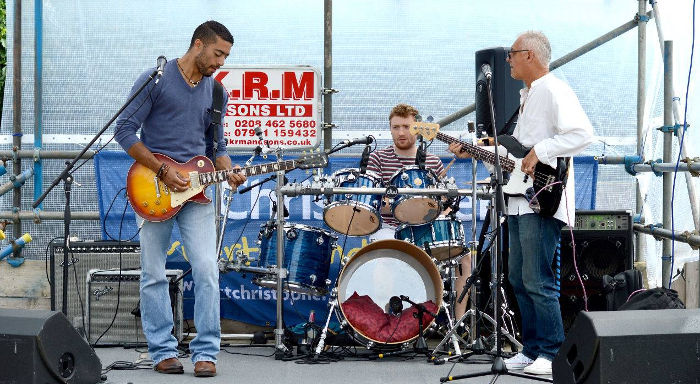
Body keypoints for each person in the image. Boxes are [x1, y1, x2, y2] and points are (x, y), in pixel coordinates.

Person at [449, 31, 593, 375]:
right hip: (516, 199)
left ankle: (552, 352)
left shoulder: (553, 89)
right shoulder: (528, 95)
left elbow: (581, 134)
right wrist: (473, 150)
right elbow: (513, 154)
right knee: (516, 278)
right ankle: (531, 349)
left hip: (540, 201)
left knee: (538, 280)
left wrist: (539, 152)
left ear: (529, 55)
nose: (508, 61)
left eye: (512, 54)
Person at [115, 21, 246, 377]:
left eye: (226, 56)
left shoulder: (217, 93)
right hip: (154, 189)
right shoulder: (156, 79)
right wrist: (160, 170)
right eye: (218, 53)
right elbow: (124, 130)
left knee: (206, 269)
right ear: (198, 45)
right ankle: (162, 351)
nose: (221, 62)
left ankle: (206, 353)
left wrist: (229, 170)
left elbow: (216, 148)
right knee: (153, 272)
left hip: (197, 195)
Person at [366, 103, 472, 322]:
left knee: (466, 258)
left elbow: (446, 200)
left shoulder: (432, 161)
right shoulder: (378, 158)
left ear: (417, 128)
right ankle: (383, 322)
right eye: (396, 127)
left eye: (406, 126)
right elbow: (374, 201)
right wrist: (400, 207)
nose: (401, 132)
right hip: (389, 227)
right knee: (384, 258)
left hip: (425, 228)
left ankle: (459, 324)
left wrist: (441, 211)